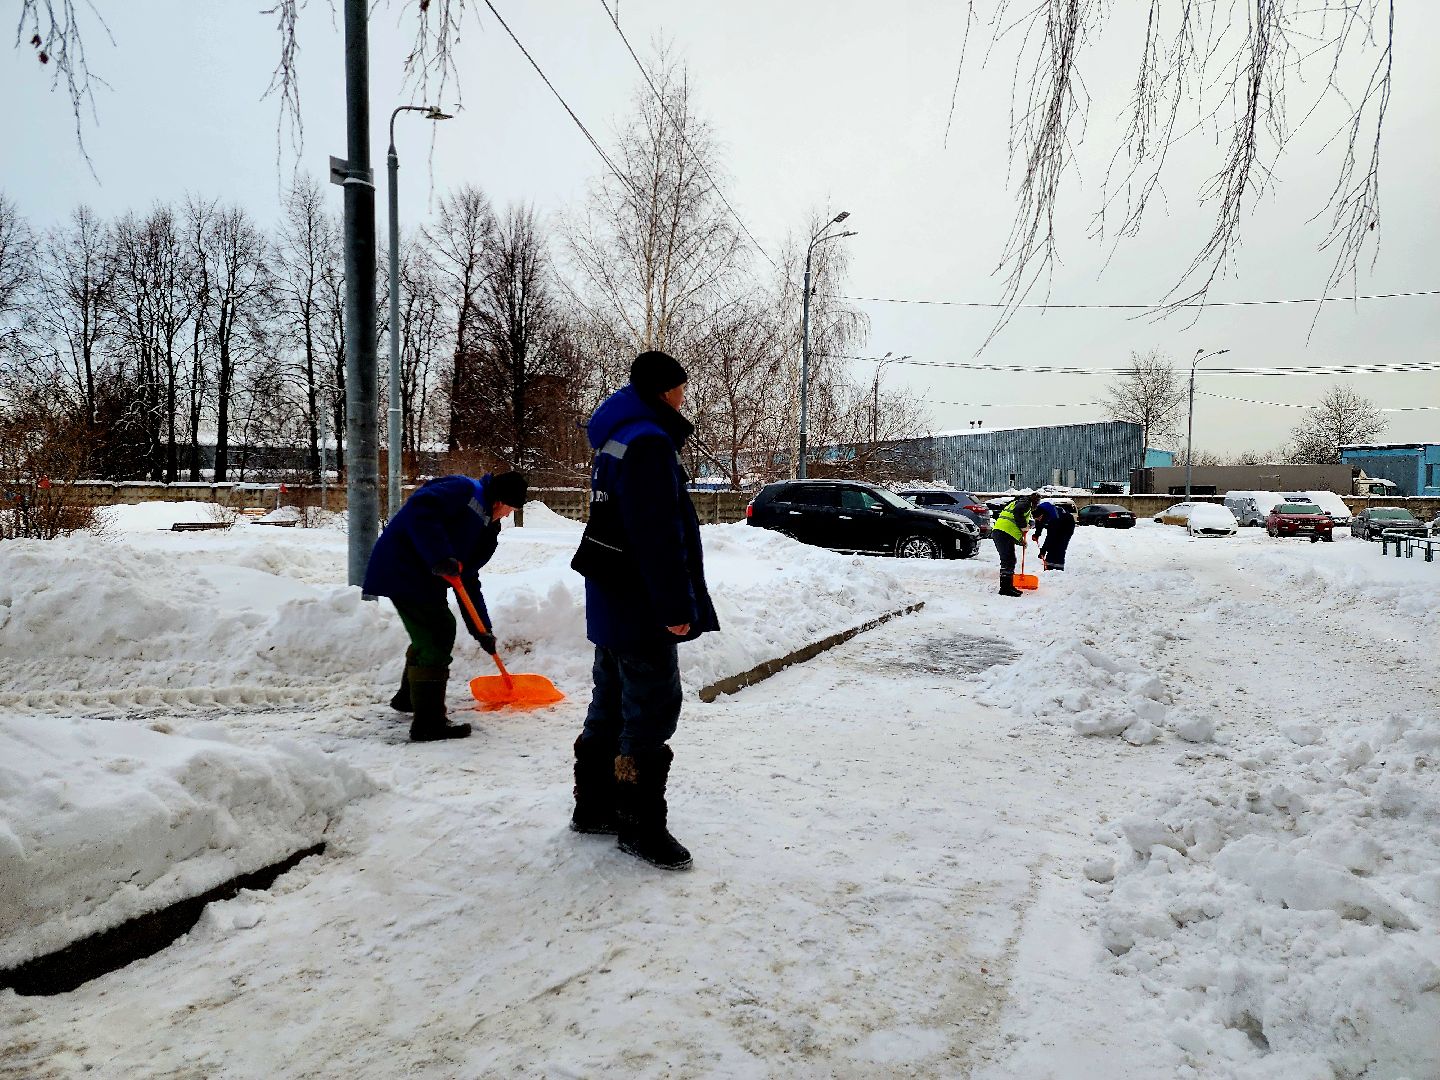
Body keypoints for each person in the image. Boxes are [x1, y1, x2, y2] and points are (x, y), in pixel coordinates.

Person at [569, 350, 719, 871]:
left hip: (612, 597)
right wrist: (674, 607)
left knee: (609, 705)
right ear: (663, 391)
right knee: (650, 712)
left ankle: (594, 807)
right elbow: (657, 535)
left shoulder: (616, 436)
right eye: (680, 389)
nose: (683, 397)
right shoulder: (651, 442)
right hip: (641, 603)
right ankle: (639, 826)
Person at [362, 470, 529, 742]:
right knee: (437, 632)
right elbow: (421, 509)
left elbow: (468, 578)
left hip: (424, 579)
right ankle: (428, 723)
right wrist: (440, 555)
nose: (510, 514)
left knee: (431, 632)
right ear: (500, 500)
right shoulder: (463, 490)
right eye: (511, 508)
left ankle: (410, 699)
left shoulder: (487, 529)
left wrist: (482, 630)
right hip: (403, 569)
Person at [992, 490, 1040, 597]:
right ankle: (1005, 589)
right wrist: (1024, 526)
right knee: (1008, 560)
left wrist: (1020, 541)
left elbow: (1012, 525)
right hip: (1003, 533)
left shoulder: (1017, 502)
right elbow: (1017, 513)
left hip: (1001, 532)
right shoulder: (1026, 503)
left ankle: (1008, 586)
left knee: (1009, 560)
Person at [1032, 499, 1076, 571]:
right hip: (1057, 524)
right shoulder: (1039, 514)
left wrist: (1043, 550)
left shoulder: (1053, 517)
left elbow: (1050, 536)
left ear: (1042, 515)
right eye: (1036, 519)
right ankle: (1049, 567)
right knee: (1051, 547)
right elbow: (1039, 524)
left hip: (1067, 526)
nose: (1038, 520)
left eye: (1039, 518)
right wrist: (1037, 534)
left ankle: (1058, 568)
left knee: (1060, 547)